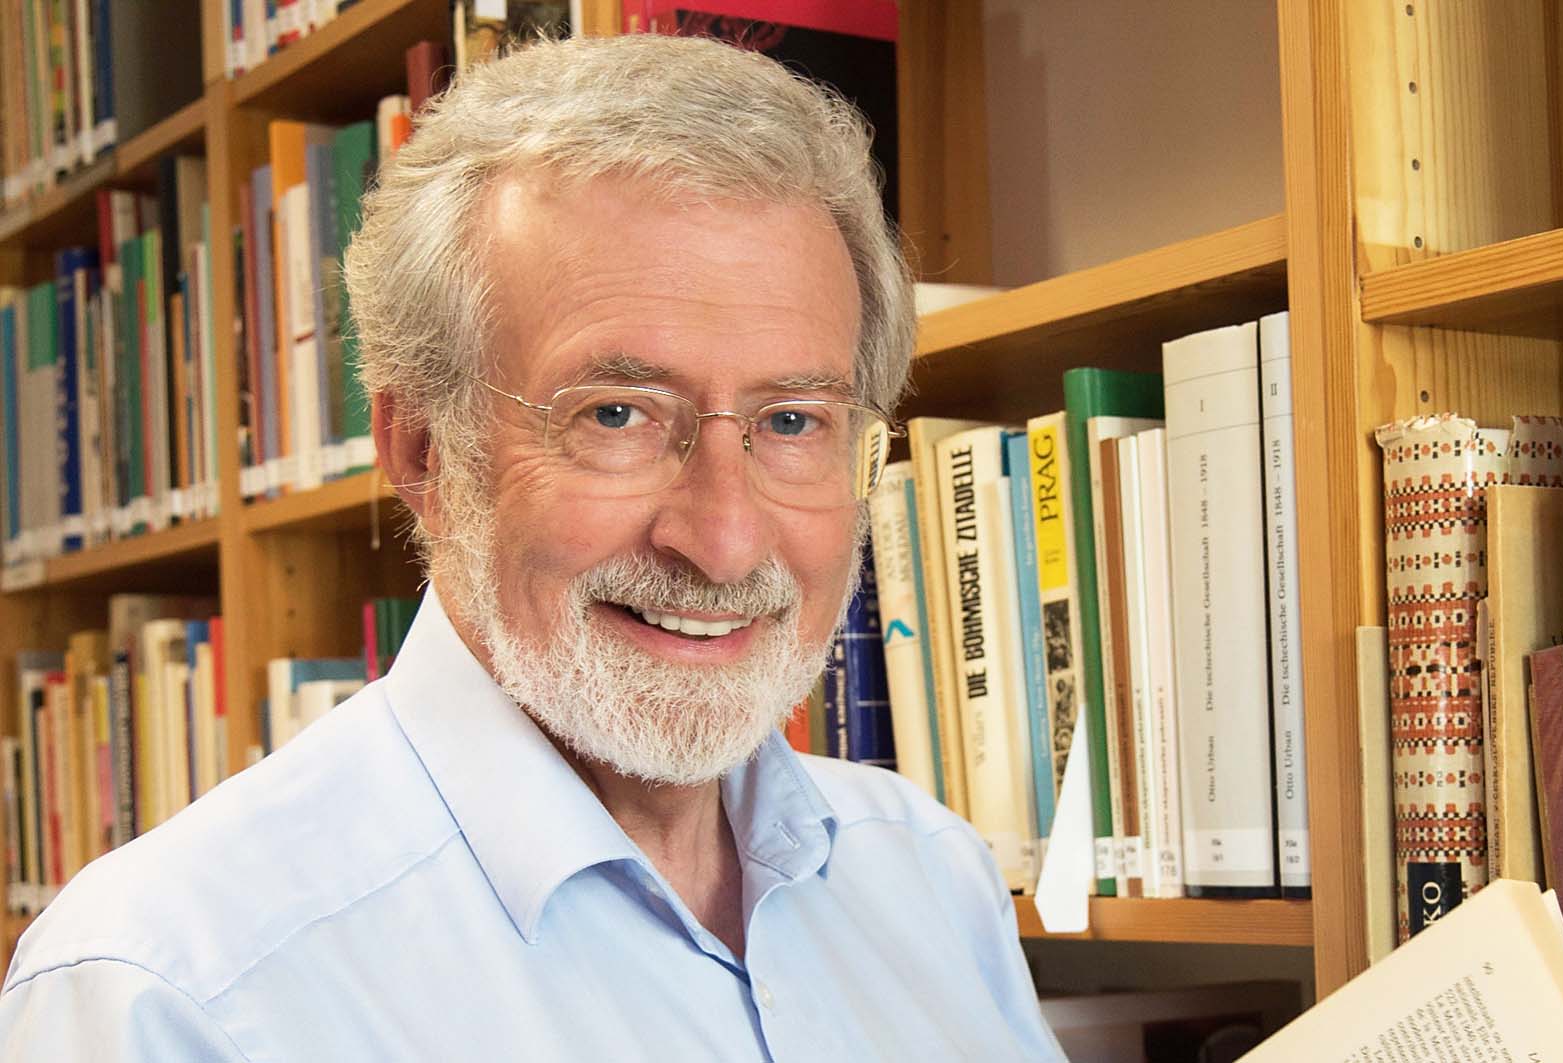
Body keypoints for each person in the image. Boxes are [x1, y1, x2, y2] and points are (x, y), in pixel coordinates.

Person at [0, 34, 1060, 1061]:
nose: (727, 543)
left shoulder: (933, 878)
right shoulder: (171, 990)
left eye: (792, 421)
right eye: (616, 415)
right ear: (423, 450)